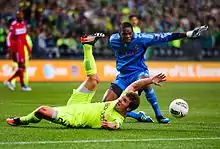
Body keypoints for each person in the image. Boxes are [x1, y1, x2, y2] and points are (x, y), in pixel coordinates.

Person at [6, 33, 166, 130]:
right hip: (82, 104)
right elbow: (134, 85)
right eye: (123, 98)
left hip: (73, 118)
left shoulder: (118, 118)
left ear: (128, 108)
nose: (120, 100)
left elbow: (116, 125)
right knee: (94, 79)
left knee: (42, 110)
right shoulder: (117, 102)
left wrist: (111, 126)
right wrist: (150, 80)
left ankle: (20, 120)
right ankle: (87, 45)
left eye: (124, 101)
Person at [103, 22, 208, 123]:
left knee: (145, 80)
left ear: (133, 32)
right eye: (124, 34)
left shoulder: (142, 39)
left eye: (130, 33)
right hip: (123, 77)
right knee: (107, 104)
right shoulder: (113, 40)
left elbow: (164, 36)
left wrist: (188, 34)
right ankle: (138, 116)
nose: (128, 36)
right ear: (119, 33)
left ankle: (159, 115)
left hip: (138, 73)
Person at [4, 10, 32, 91]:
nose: (20, 16)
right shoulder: (13, 25)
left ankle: (22, 85)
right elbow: (9, 37)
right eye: (18, 15)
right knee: (22, 67)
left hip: (22, 49)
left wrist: (29, 50)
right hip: (16, 49)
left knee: (21, 68)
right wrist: (10, 49)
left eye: (21, 15)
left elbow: (24, 38)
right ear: (16, 16)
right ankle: (11, 81)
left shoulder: (23, 24)